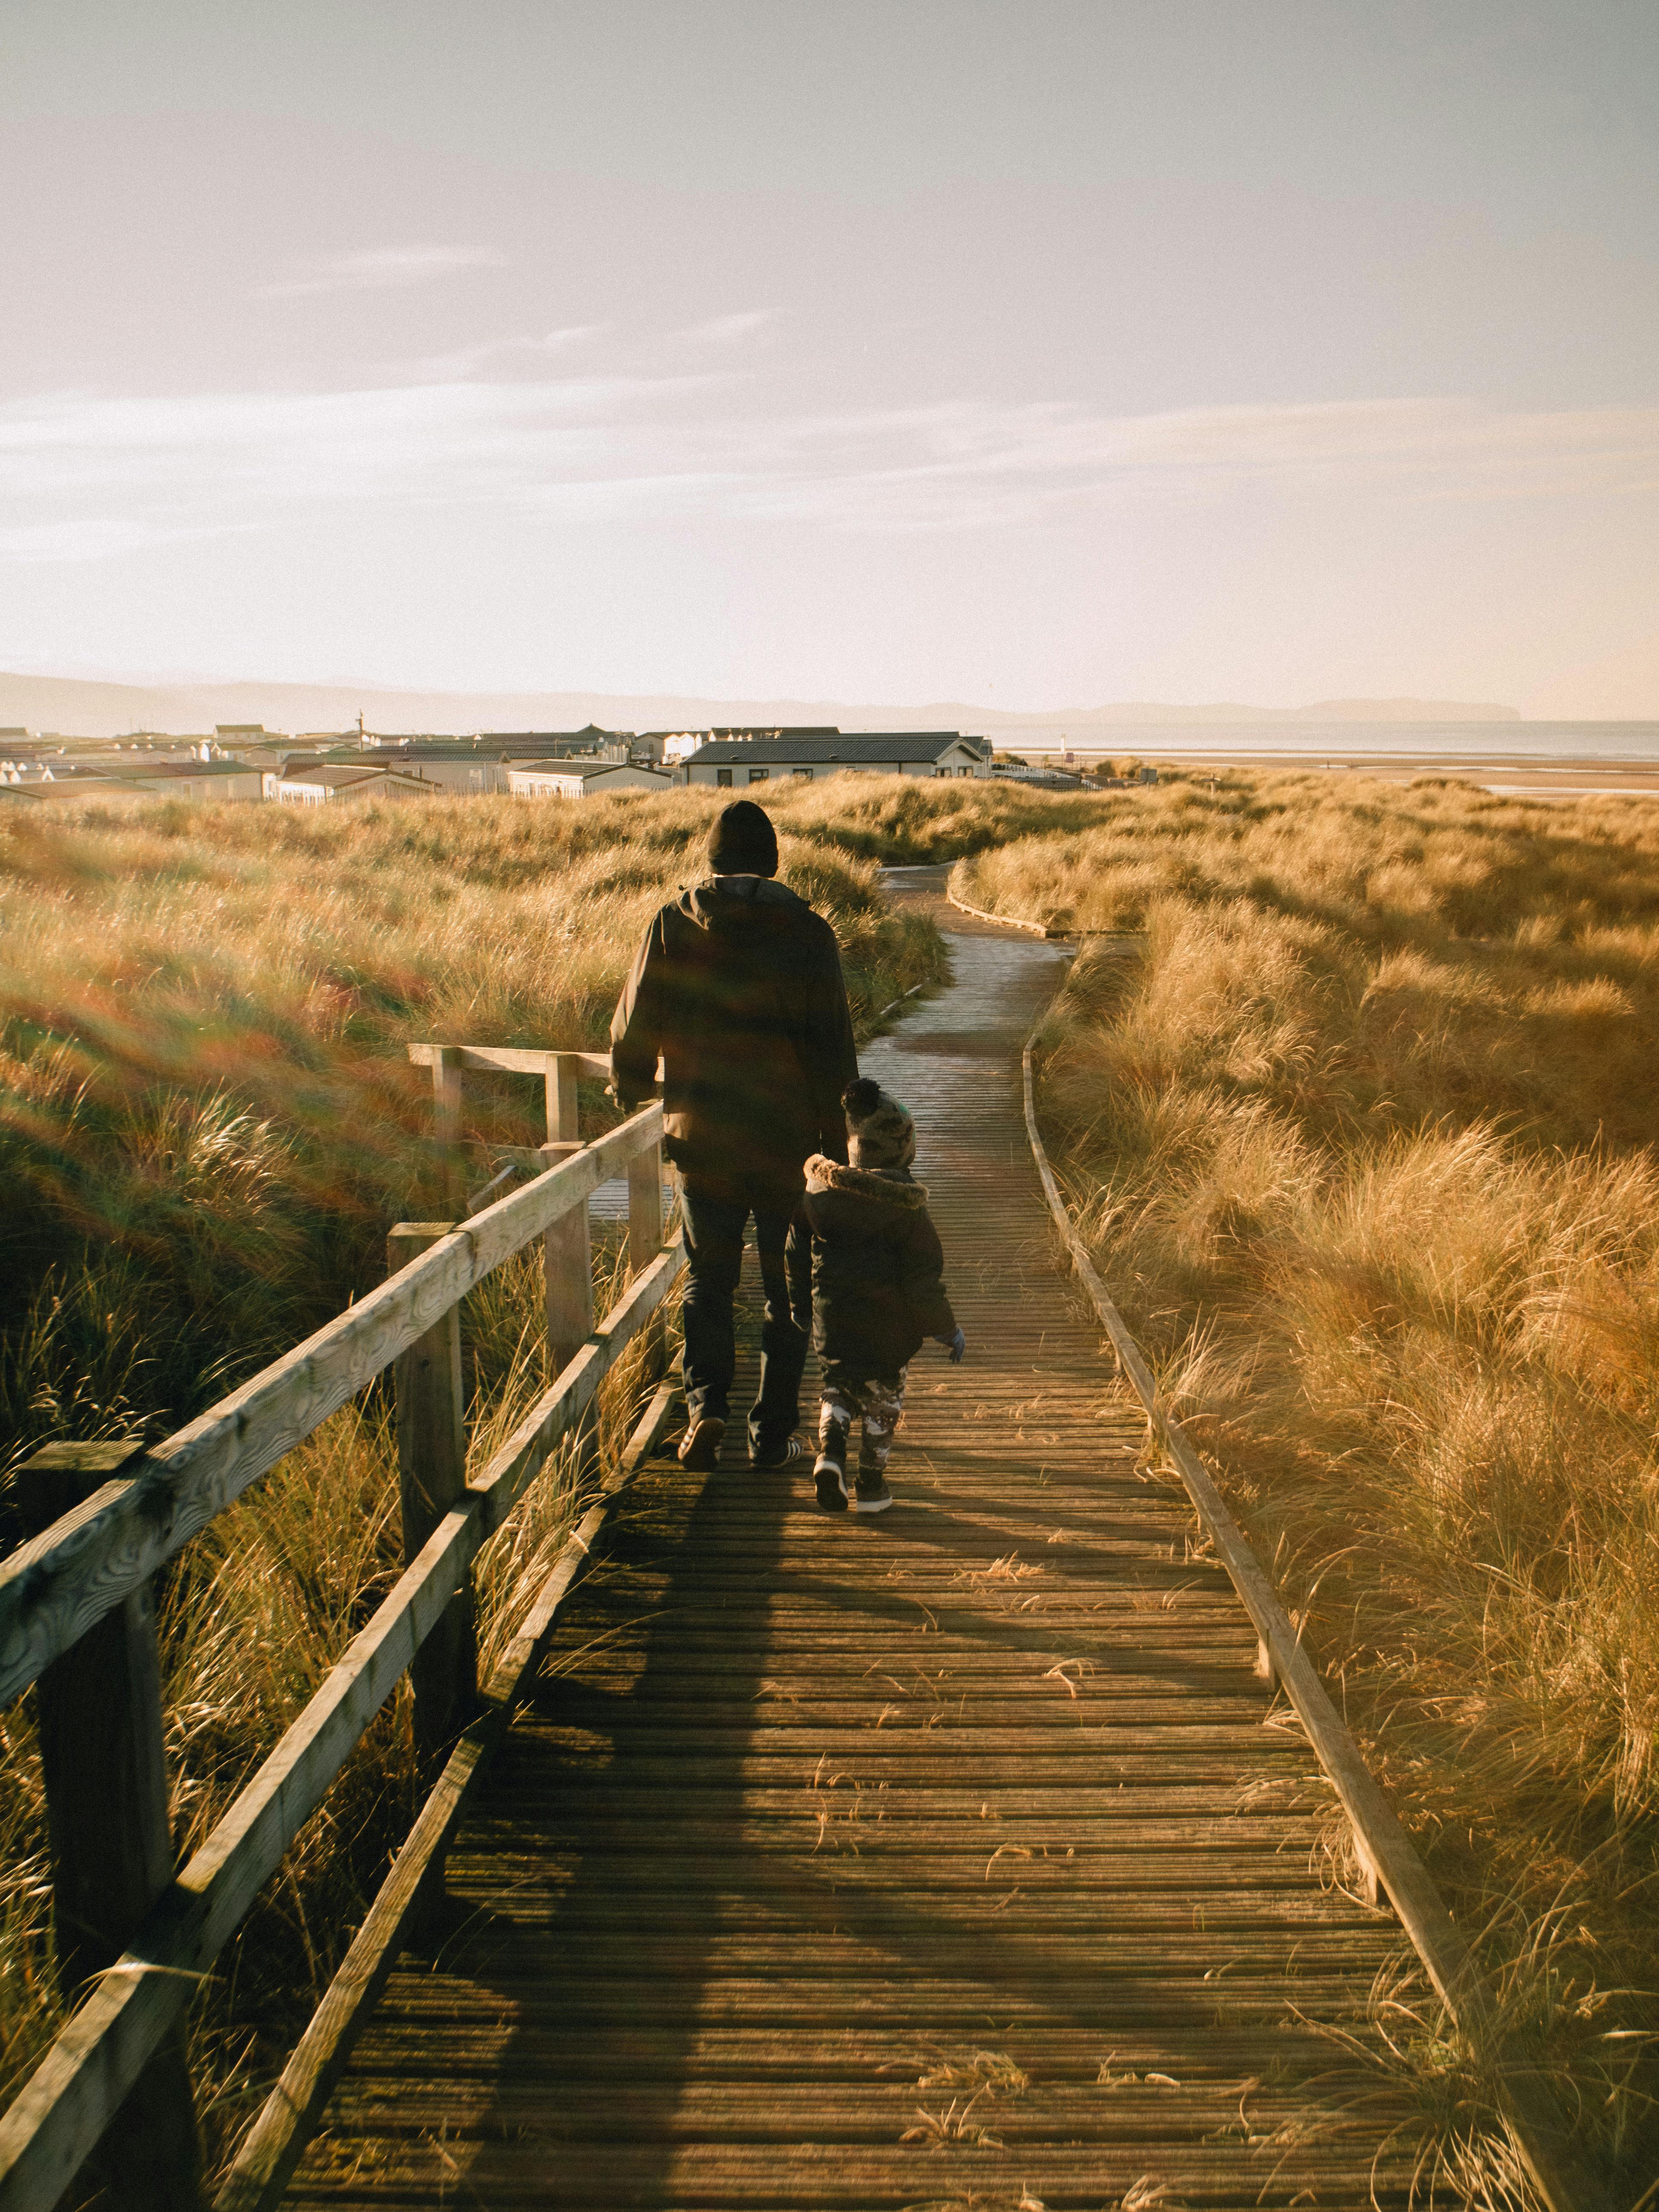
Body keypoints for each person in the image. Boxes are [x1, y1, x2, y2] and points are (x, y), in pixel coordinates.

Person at [610, 799, 858, 1470]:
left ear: (713, 861)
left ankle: (706, 1409)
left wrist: (631, 1085)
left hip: (702, 1137)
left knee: (708, 1282)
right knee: (788, 1292)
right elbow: (834, 1043)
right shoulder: (809, 934)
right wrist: (838, 1147)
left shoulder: (673, 924)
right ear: (772, 862)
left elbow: (635, 1020)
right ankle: (773, 1434)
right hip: (786, 1140)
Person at [802, 1077, 965, 1513]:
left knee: (838, 1391)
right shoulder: (908, 1211)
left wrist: (803, 1308)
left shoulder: (820, 1196)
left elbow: (798, 1258)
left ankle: (830, 1455)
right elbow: (922, 1281)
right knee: (882, 1404)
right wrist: (946, 1329)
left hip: (832, 1324)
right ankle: (871, 1487)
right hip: (885, 1333)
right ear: (902, 1147)